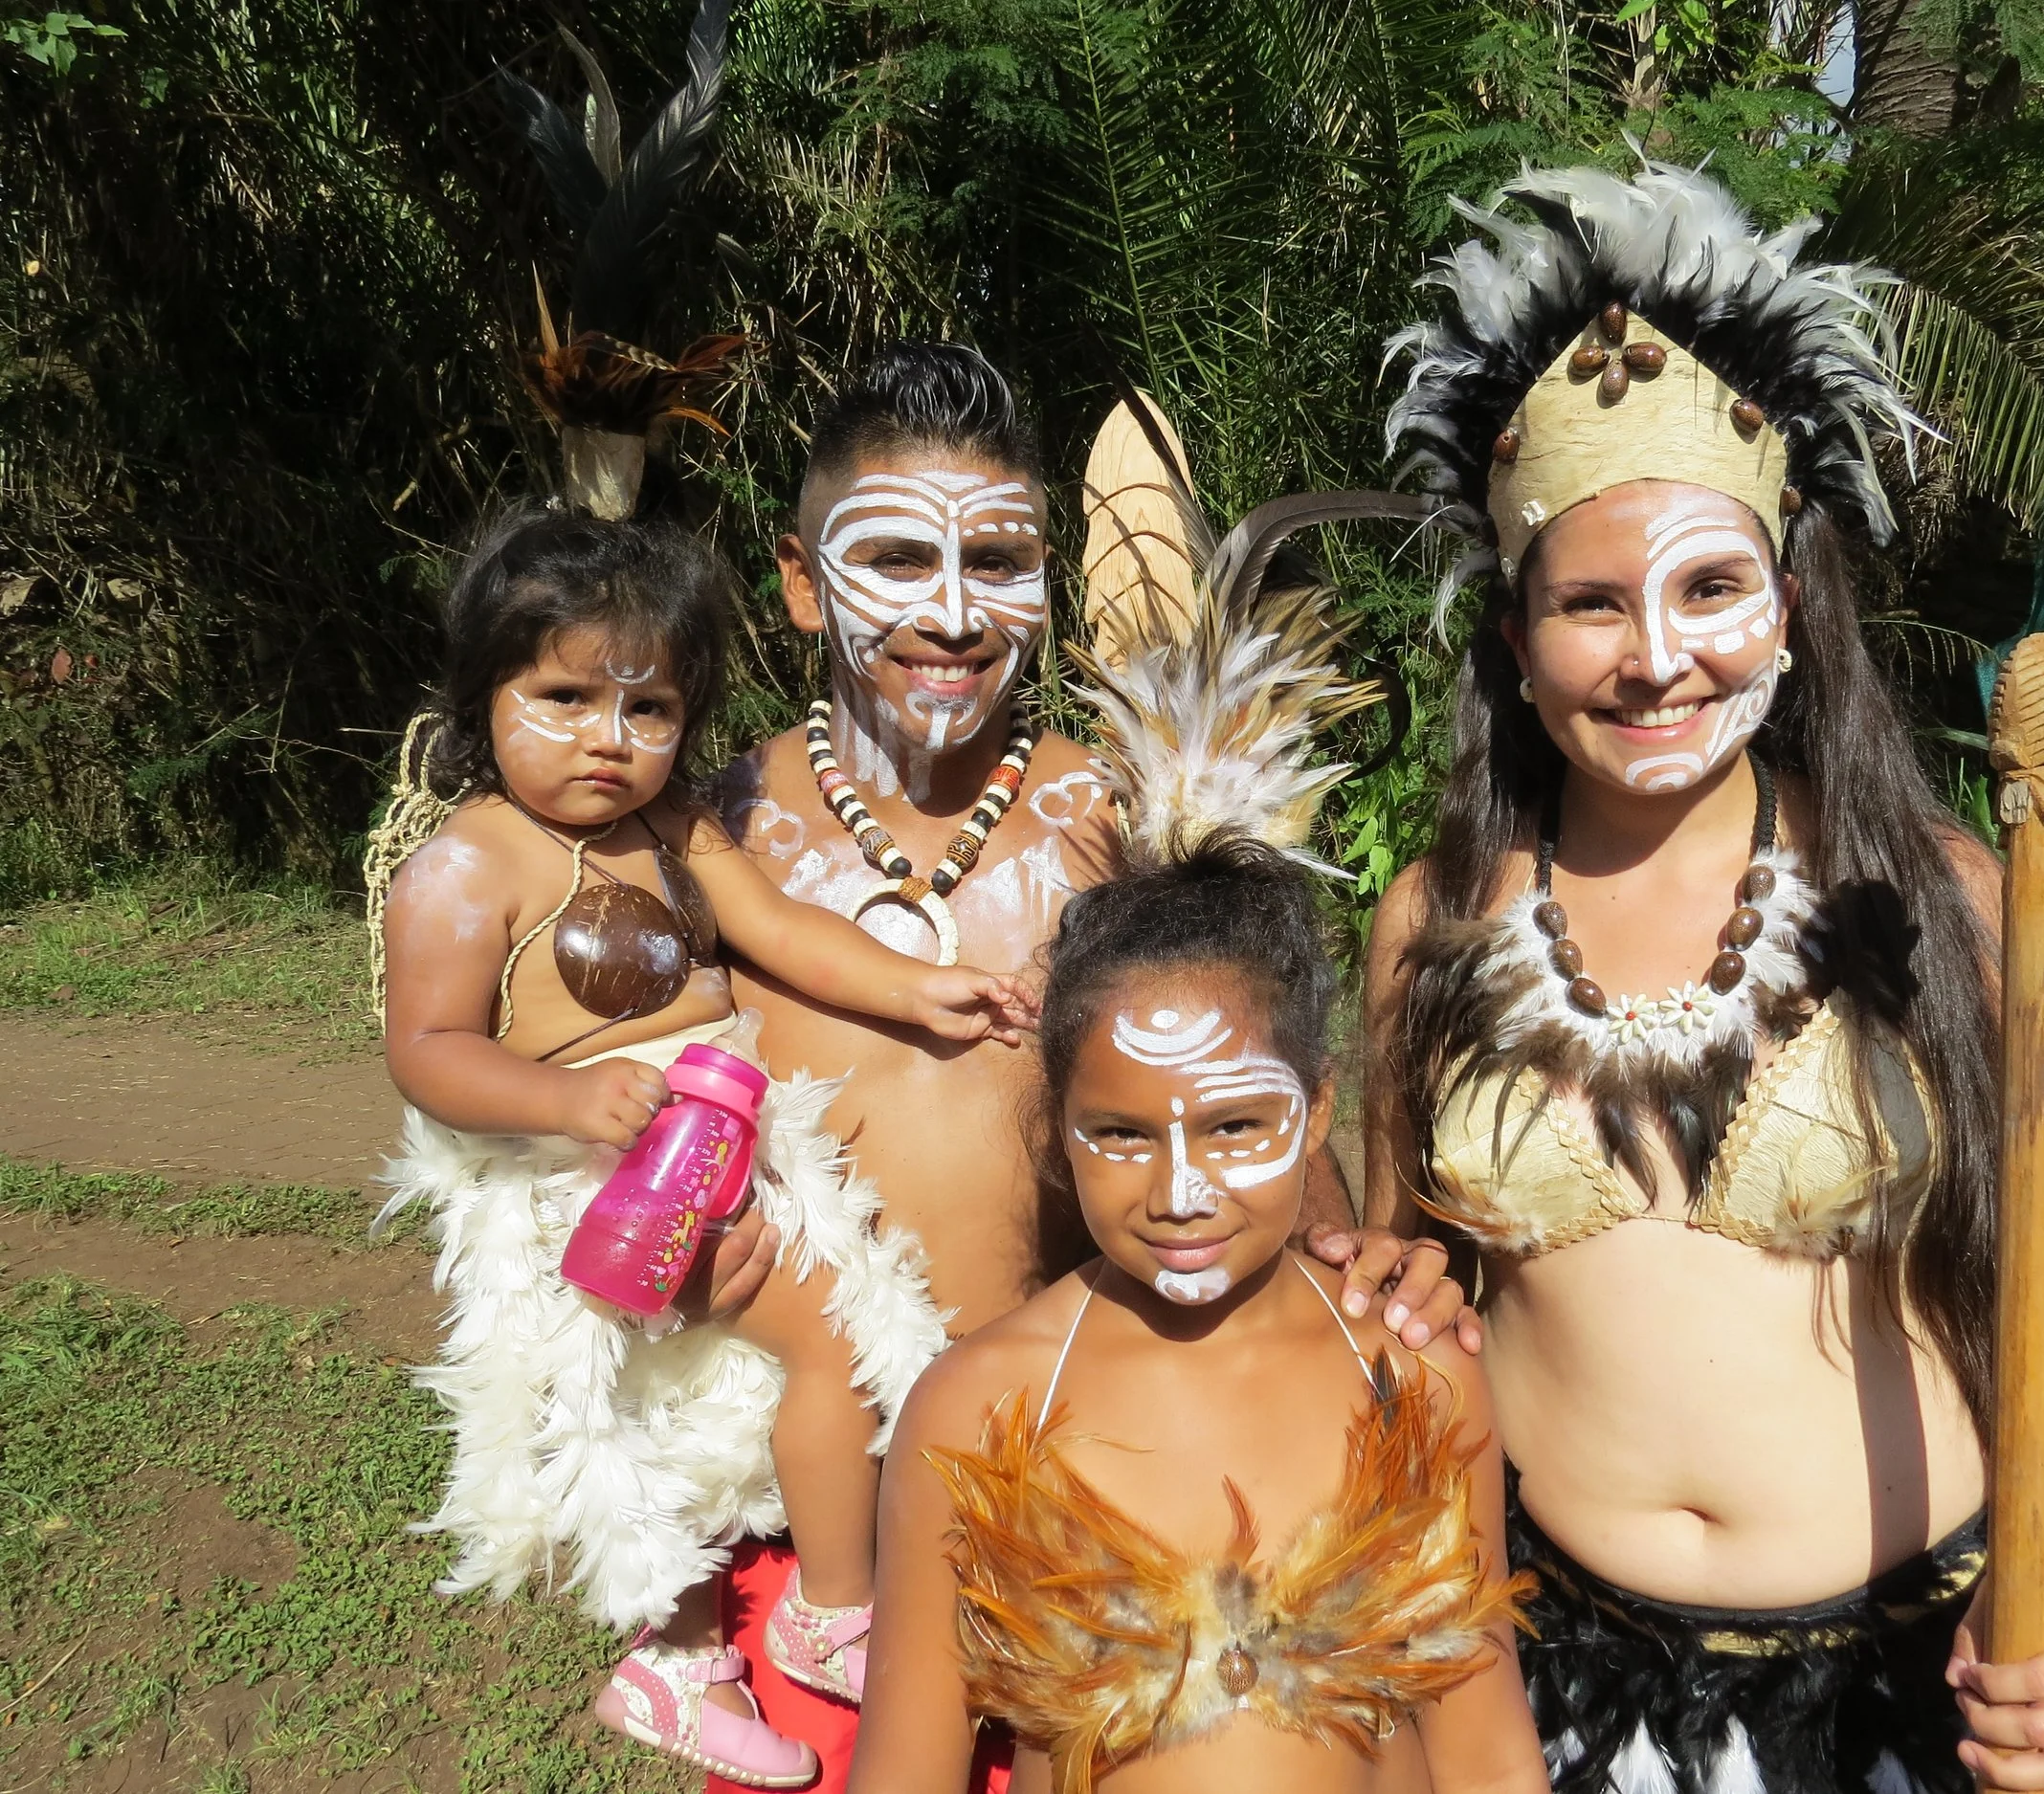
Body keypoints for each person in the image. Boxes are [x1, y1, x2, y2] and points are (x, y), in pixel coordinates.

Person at [1365, 163, 2044, 1794]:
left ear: (1794, 610)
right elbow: (1408, 1291)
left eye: (1710, 588)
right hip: (1558, 1676)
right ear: (1518, 644)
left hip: (1928, 1668)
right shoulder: (1436, 918)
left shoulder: (1938, 898)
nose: (1655, 656)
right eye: (1589, 604)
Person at [699, 344, 1476, 1785]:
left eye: (997, 559)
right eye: (894, 559)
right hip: (819, 1546)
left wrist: (1365, 1269)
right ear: (804, 580)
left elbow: (1245, 1112)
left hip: (1096, 1507)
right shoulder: (709, 837)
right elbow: (585, 1107)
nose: (949, 611)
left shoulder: (1130, 818)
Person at [371, 508, 1034, 1788]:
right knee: (825, 1339)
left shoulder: (678, 829)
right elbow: (428, 1046)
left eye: (648, 707)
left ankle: (678, 1657)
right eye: (562, 696)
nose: (608, 740)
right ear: (482, 689)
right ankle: (837, 1608)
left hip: (714, 1135)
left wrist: (917, 987)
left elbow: (781, 925)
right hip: (590, 1167)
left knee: (714, 1401)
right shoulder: (471, 861)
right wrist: (567, 1103)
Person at [855, 838, 1546, 1794]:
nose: (1181, 1194)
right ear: (1061, 1127)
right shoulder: (977, 1406)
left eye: (1233, 1126)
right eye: (1124, 1134)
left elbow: (1487, 1752)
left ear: (1313, 1113)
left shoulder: (1413, 1371)